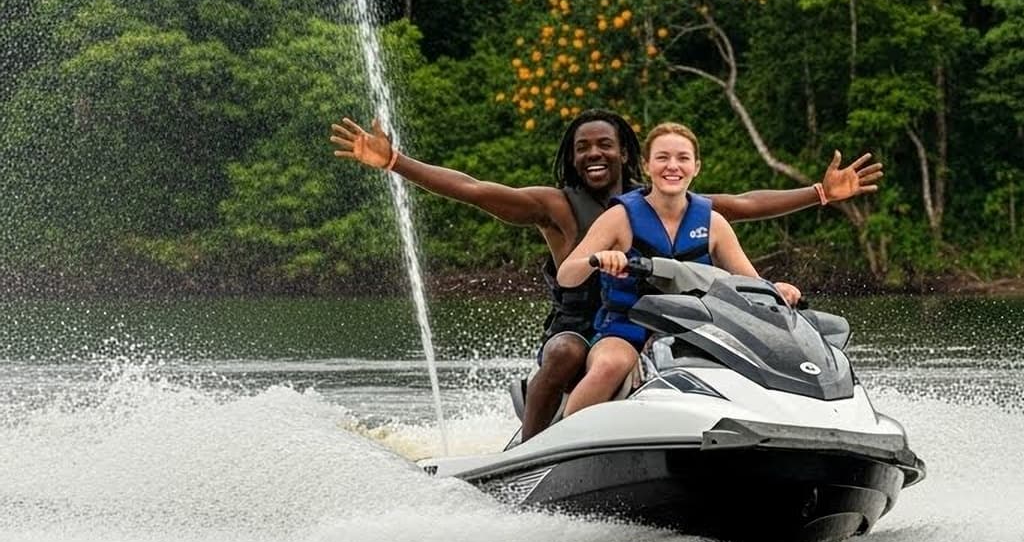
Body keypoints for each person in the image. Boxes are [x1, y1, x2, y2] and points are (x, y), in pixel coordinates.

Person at [330, 111, 878, 438]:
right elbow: (475, 190)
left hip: (674, 320)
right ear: (571, 158)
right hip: (588, 321)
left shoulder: (673, 203)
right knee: (572, 355)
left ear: (625, 155)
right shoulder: (561, 206)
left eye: (604, 146)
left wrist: (819, 194)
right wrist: (396, 163)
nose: (593, 154)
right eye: (582, 148)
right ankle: (538, 445)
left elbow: (742, 205)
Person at [555, 121, 793, 414]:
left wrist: (777, 290)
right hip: (627, 329)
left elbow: (750, 285)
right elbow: (567, 275)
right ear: (646, 166)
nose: (673, 166)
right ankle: (566, 436)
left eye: (683, 158)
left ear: (697, 167)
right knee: (610, 365)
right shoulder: (620, 217)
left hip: (696, 332)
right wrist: (598, 260)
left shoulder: (713, 223)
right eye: (662, 158)